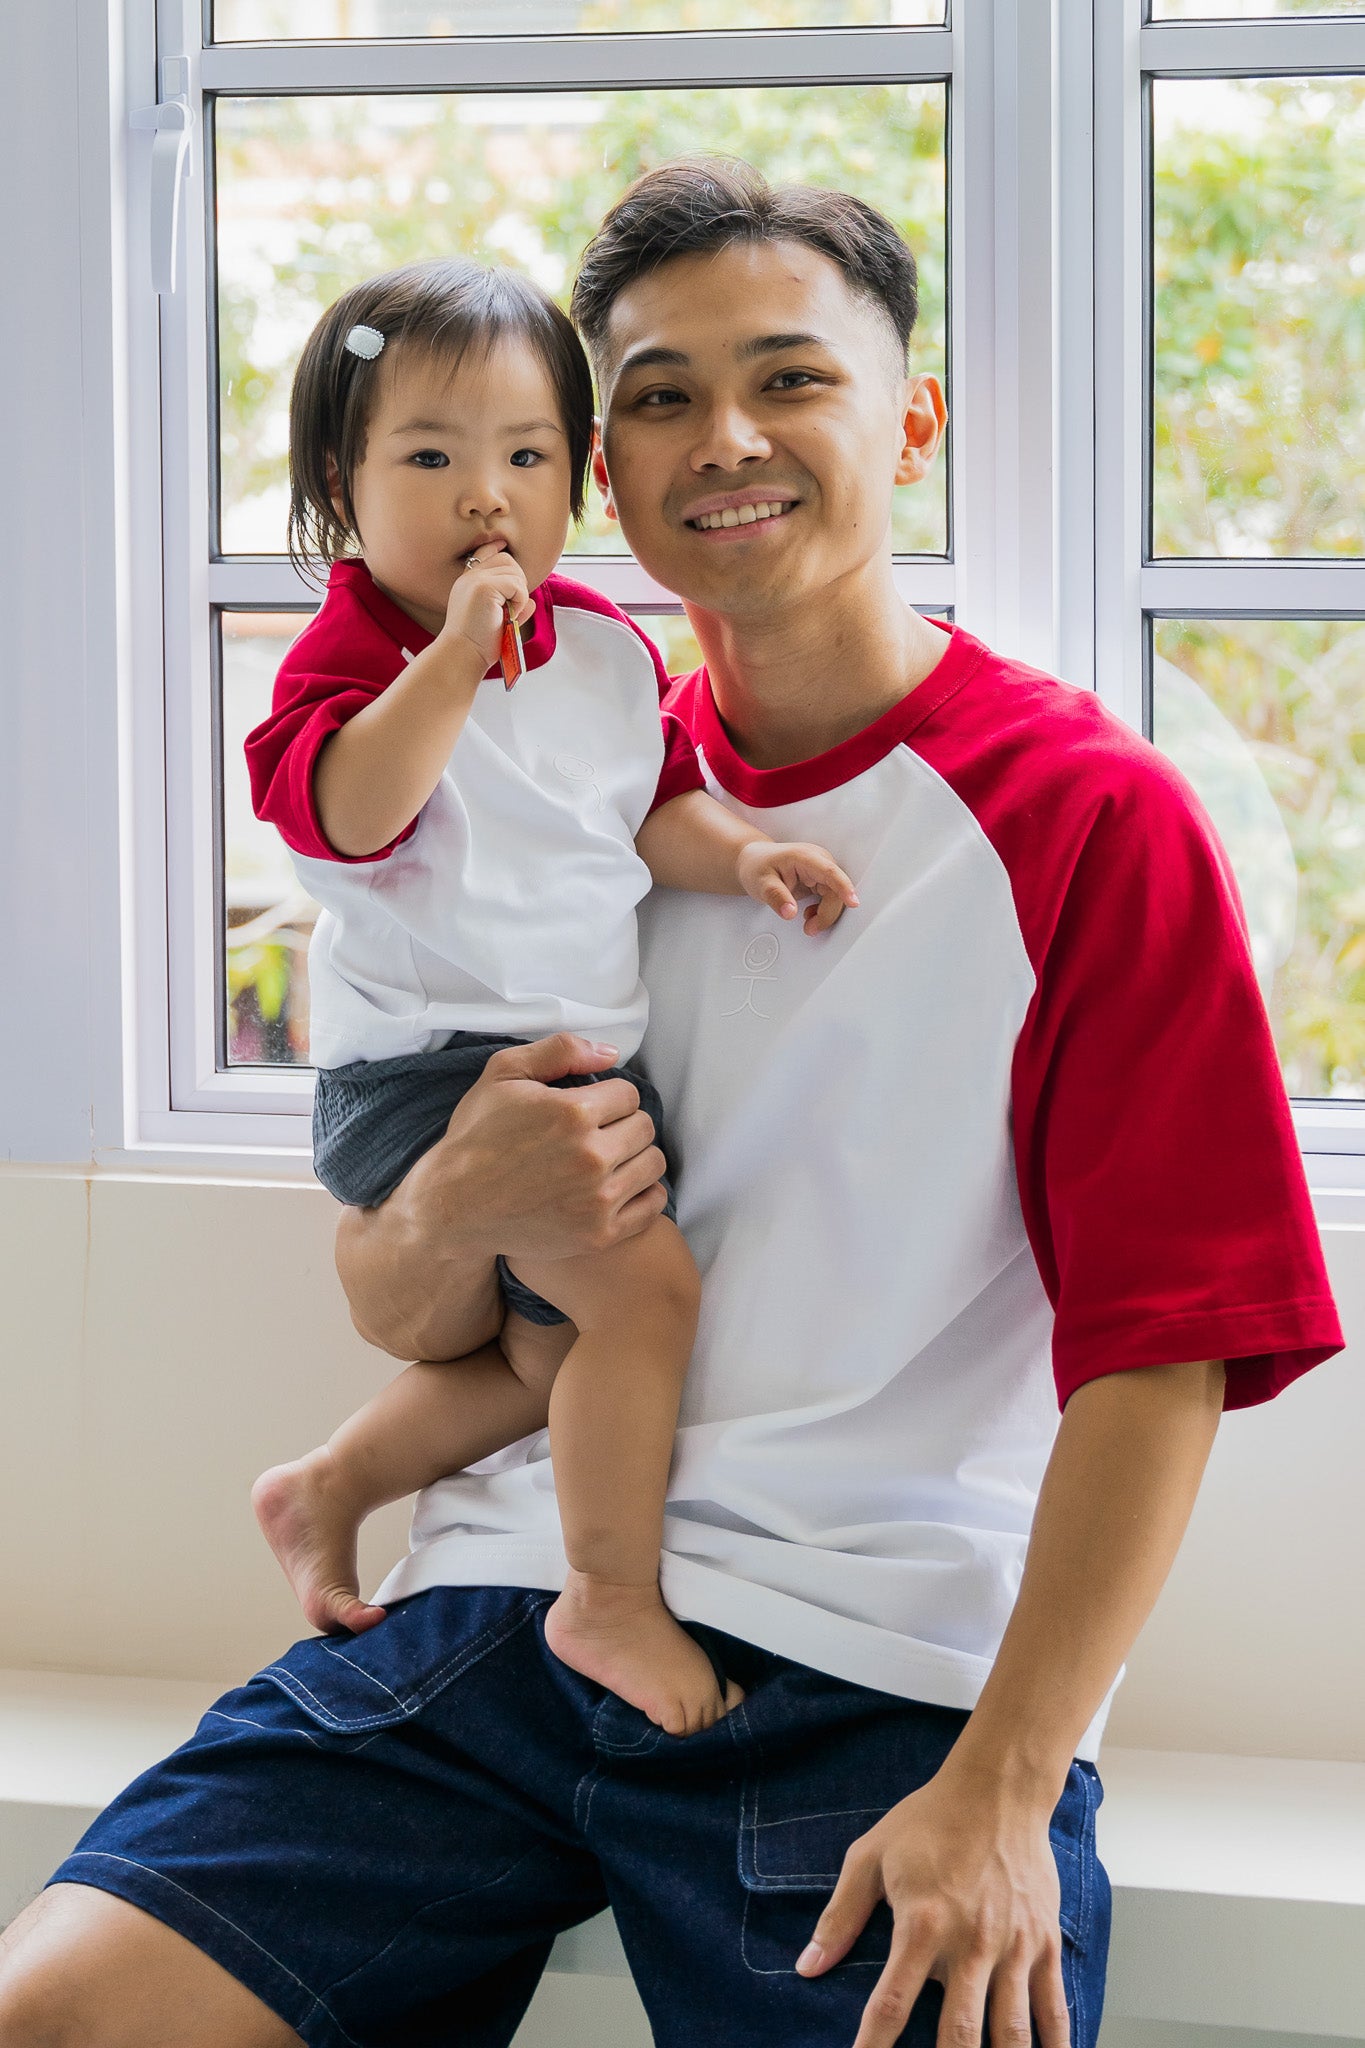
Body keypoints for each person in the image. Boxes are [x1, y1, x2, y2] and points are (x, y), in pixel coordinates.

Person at [0, 161, 1342, 2048]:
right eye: (658, 397)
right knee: (53, 2013)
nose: (725, 439)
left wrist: (1004, 1785)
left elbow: (1169, 1348)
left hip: (873, 1672)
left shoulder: (1081, 821)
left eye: (789, 378)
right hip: (494, 1612)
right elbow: (400, 1302)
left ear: (910, 420)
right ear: (601, 476)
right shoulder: (517, 794)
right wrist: (458, 1198)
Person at [243, 257, 857, 1738]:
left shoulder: (601, 648)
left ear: (577, 471)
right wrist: (456, 655)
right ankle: (610, 1596)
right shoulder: (353, 656)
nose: (485, 497)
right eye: (429, 460)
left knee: (550, 1360)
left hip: (579, 1066)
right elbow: (352, 811)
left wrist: (744, 854)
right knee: (648, 1300)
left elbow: (645, 811)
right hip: (428, 1073)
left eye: (525, 457)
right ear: (338, 482)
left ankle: (328, 1485)